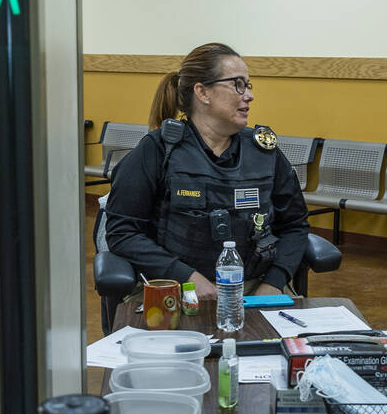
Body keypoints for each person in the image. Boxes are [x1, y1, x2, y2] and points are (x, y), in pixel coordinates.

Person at [105, 43, 311, 299]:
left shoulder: (264, 152)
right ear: (203, 92)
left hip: (256, 289)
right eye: (238, 84)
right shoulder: (158, 151)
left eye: (248, 85)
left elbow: (295, 225)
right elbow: (122, 232)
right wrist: (186, 277)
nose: (249, 95)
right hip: (177, 290)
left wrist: (274, 282)